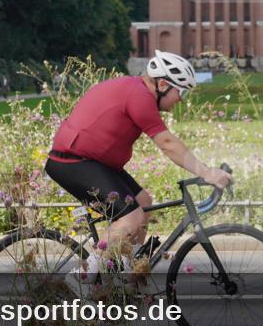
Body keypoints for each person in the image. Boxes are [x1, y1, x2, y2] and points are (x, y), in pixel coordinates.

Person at [45, 50, 232, 279]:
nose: (181, 98)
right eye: (181, 91)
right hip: (73, 161)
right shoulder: (139, 96)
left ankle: (125, 274)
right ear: (163, 84)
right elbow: (166, 143)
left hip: (94, 161)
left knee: (143, 203)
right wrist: (207, 172)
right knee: (130, 218)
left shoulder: (137, 91)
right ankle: (81, 278)